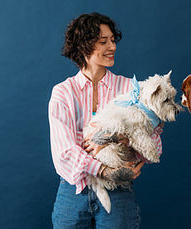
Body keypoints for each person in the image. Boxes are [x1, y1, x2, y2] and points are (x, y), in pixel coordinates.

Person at [48, 12, 163, 228]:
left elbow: (155, 145)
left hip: (118, 191)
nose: (112, 47)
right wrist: (104, 170)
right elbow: (64, 151)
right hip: (73, 190)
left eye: (112, 40)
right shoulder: (63, 93)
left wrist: (122, 138)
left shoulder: (131, 90)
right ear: (83, 46)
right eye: (103, 42)